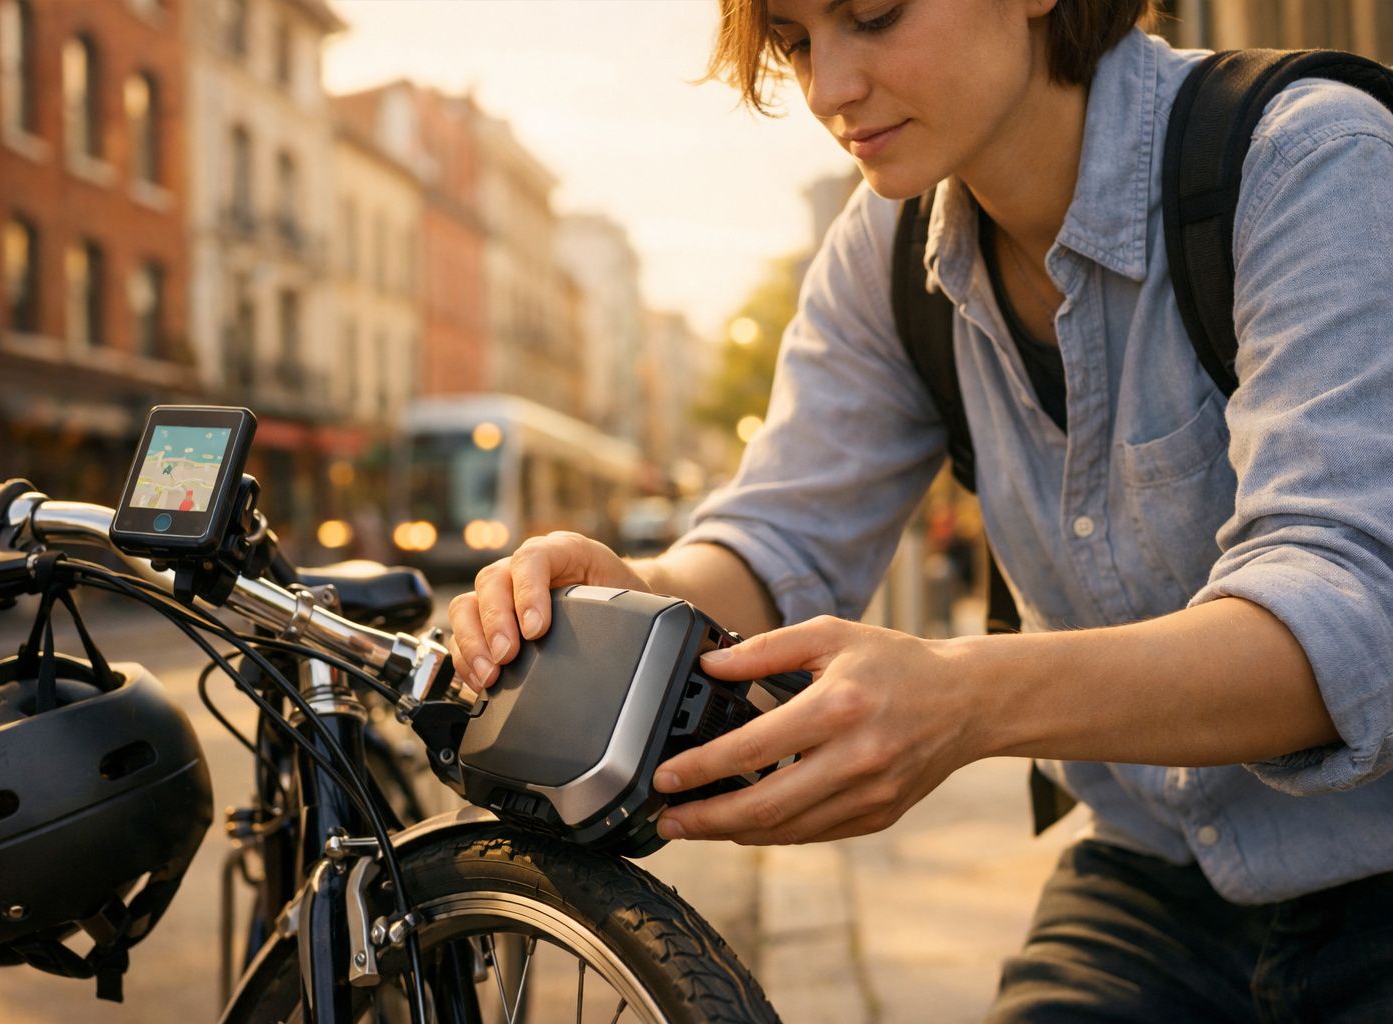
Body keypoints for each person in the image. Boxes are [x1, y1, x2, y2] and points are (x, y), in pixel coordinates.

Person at [448, 1, 1393, 1018]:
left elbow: (1347, 620)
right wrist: (636, 595)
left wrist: (968, 697)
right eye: (800, 42)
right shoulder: (889, 249)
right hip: (1154, 875)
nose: (827, 89)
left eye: (873, 15)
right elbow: (778, 540)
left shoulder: (1313, 161)